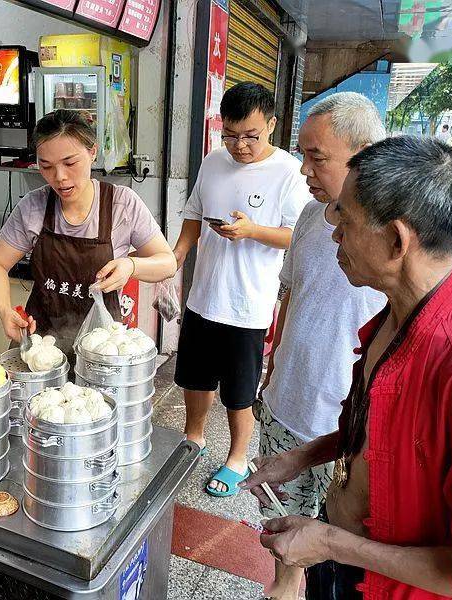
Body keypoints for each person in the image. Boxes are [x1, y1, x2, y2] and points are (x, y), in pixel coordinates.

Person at [243, 136, 452, 599]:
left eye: (345, 218)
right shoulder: (394, 316)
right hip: (342, 560)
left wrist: (329, 542)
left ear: (396, 239)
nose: (334, 233)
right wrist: (304, 455)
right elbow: (376, 435)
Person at [256, 92, 386, 600]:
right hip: (287, 398)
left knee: (335, 539)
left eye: (318, 157)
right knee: (281, 525)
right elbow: (290, 294)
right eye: (302, 153)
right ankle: (284, 586)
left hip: (342, 420)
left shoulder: (387, 238)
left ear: (365, 155)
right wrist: (274, 359)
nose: (304, 169)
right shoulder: (311, 216)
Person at [172, 82, 311, 497]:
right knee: (194, 380)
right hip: (203, 297)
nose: (239, 145)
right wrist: (173, 260)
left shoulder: (288, 172)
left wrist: (252, 230)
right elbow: (194, 217)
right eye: (230, 135)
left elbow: (296, 235)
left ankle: (236, 458)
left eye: (250, 135)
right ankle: (192, 440)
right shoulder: (213, 162)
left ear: (270, 124)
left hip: (248, 306)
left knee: (239, 391)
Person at [0, 110, 176, 353]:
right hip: (41, 346)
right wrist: (4, 311)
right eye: (46, 166)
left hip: (102, 349)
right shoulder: (34, 207)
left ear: (92, 151)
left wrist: (131, 266)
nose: (59, 177)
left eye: (70, 163)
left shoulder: (121, 204)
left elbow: (167, 263)